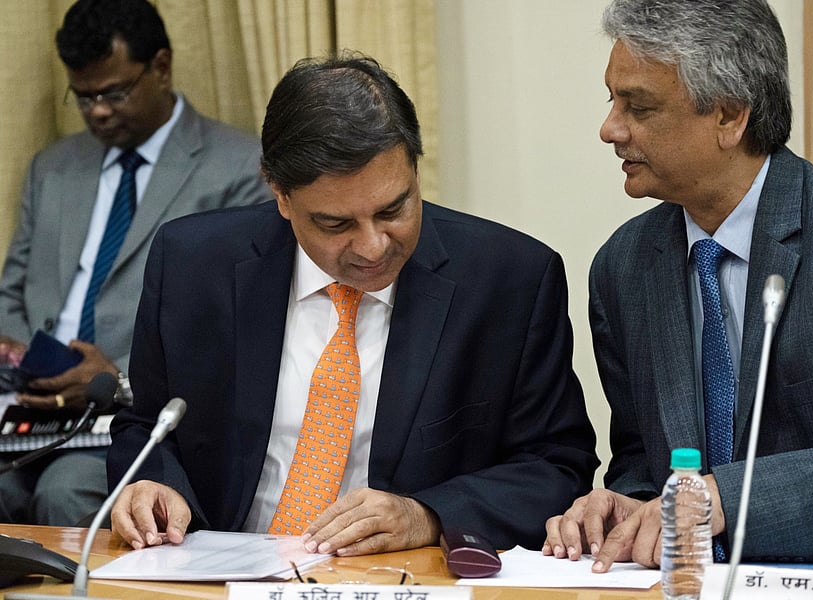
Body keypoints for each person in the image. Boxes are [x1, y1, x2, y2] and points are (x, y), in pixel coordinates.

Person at [107, 53, 599, 556]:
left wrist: (428, 515)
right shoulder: (193, 264)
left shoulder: (508, 279)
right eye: (335, 224)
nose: (373, 246)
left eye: (394, 209)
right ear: (280, 195)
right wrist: (153, 485)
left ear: (414, 166)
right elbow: (146, 425)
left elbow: (557, 464)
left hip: (401, 577)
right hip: (219, 569)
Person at [544, 0, 813, 571]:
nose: (610, 128)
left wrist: (723, 499)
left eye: (638, 106)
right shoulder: (623, 266)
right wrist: (621, 506)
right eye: (612, 100)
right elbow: (641, 461)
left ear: (730, 117)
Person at [0, 0, 270, 526]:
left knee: (63, 491)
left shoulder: (237, 168)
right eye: (83, 97)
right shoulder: (52, 167)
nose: (98, 110)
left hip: (134, 414)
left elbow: (235, 328)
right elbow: (11, 292)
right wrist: (16, 355)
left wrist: (118, 380)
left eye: (114, 92)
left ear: (162, 67)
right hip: (32, 408)